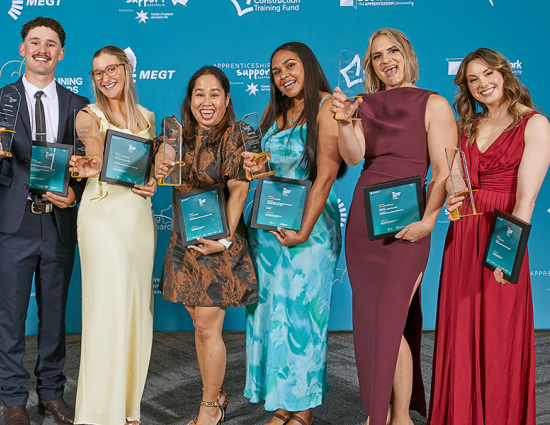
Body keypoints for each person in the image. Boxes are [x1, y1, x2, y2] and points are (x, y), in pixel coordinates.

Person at [329, 28, 456, 425]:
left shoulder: (433, 103)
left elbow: (443, 171)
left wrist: (430, 221)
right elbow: (353, 158)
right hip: (366, 224)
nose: (386, 60)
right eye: (377, 56)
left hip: (409, 223)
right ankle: (389, 414)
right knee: (374, 323)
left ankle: (387, 416)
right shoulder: (362, 103)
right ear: (370, 66)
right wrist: (345, 122)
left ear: (407, 55)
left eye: (393, 51)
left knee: (390, 319)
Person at [427, 47, 550, 425]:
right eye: (472, 79)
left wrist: (507, 254)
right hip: (464, 236)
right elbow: (460, 185)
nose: (482, 84)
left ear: (504, 73)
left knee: (499, 334)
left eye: (488, 74)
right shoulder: (467, 126)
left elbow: (526, 199)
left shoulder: (534, 124)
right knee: (460, 330)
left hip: (502, 235)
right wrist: (453, 203)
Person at [0, 16, 89, 425]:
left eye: (51, 43)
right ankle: (12, 399)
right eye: (34, 41)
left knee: (55, 313)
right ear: (22, 49)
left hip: (59, 220)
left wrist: (74, 190)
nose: (42, 49)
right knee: (10, 314)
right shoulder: (0, 97)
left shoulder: (80, 105)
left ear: (61, 53)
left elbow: (83, 162)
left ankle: (51, 394)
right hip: (15, 221)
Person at [242, 42, 347, 425]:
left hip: (311, 226)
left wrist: (304, 230)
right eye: (275, 71)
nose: (283, 75)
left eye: (290, 65)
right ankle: (281, 404)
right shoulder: (275, 110)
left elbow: (327, 175)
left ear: (308, 66)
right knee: (272, 315)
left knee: (303, 317)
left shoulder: (327, 107)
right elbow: (268, 168)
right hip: (268, 226)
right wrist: (254, 166)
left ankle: (301, 411)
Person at [155, 66, 258, 425]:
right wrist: (158, 162)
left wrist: (224, 240)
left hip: (219, 243)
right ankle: (215, 393)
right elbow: (156, 170)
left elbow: (240, 190)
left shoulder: (235, 137)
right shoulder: (177, 135)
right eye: (199, 93)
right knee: (199, 322)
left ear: (227, 99)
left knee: (206, 327)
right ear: (190, 99)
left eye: (215, 94)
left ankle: (210, 406)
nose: (207, 101)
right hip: (185, 243)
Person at [69, 45, 157, 425]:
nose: (105, 77)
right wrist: (87, 165)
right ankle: (98, 413)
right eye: (97, 72)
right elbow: (93, 156)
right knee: (107, 311)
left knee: (138, 310)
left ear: (127, 69)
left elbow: (152, 169)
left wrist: (154, 181)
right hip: (103, 216)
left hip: (138, 217)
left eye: (111, 68)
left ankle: (128, 408)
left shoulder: (150, 117)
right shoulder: (87, 116)